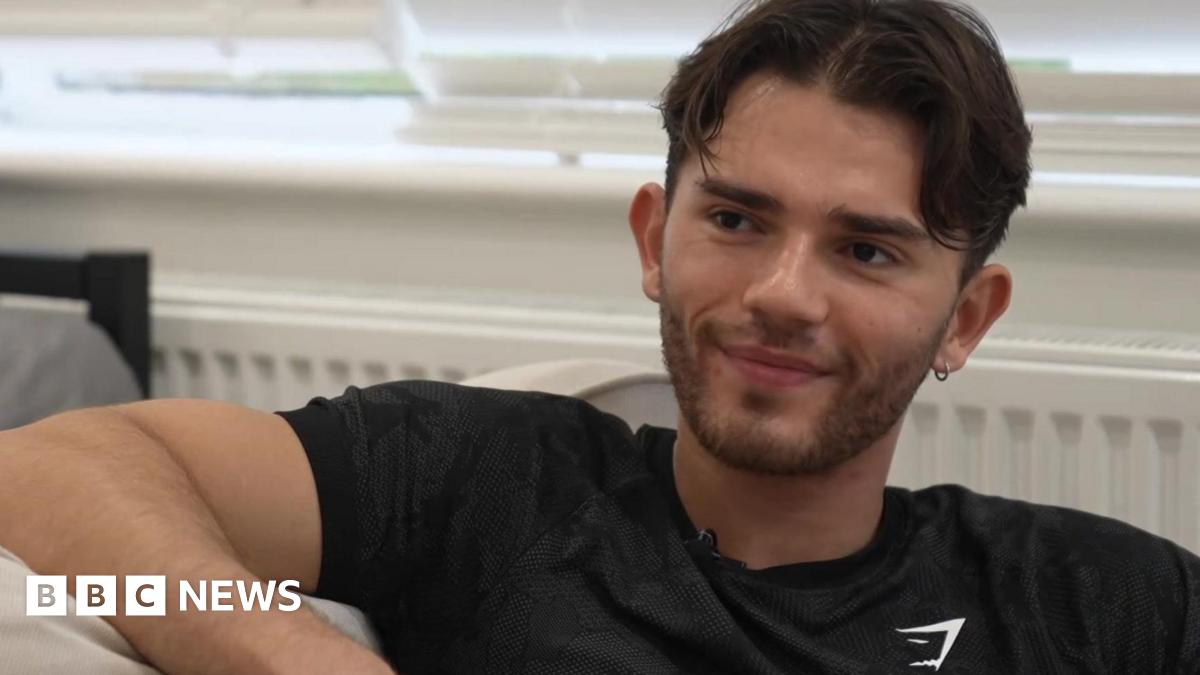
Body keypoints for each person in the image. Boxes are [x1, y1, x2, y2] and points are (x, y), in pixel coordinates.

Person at [1, 0, 1197, 672]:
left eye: (867, 250)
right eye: (737, 219)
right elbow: (44, 469)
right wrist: (293, 656)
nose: (785, 294)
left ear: (965, 319)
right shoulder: (485, 486)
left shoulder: (1100, 605)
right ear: (653, 239)